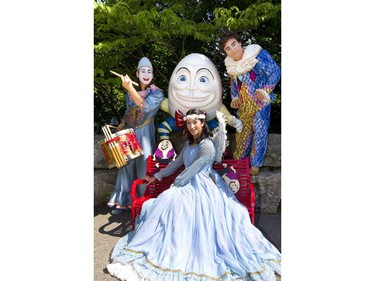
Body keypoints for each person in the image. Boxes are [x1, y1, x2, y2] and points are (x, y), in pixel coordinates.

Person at [107, 108, 281, 280]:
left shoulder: (207, 145)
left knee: (175, 200)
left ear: (202, 123)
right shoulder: (189, 144)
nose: (191, 126)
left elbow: (194, 169)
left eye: (195, 122)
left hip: (202, 184)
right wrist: (156, 176)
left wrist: (177, 184)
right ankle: (171, 245)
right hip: (187, 182)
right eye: (189, 123)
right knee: (169, 201)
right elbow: (177, 164)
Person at [107, 57, 164, 215]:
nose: (146, 74)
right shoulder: (130, 94)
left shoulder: (157, 92)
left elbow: (144, 107)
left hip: (145, 132)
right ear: (137, 74)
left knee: (144, 165)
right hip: (130, 133)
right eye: (143, 71)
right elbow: (129, 113)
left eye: (149, 71)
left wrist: (129, 88)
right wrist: (122, 123)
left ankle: (142, 202)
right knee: (126, 166)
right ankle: (124, 201)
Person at [219, 31, 281, 176]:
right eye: (228, 48)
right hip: (244, 105)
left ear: (240, 43)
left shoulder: (257, 54)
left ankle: (256, 164)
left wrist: (265, 90)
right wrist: (235, 98)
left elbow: (275, 71)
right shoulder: (232, 66)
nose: (233, 49)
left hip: (260, 102)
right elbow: (234, 84)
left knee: (259, 130)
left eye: (233, 44)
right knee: (243, 132)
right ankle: (240, 161)